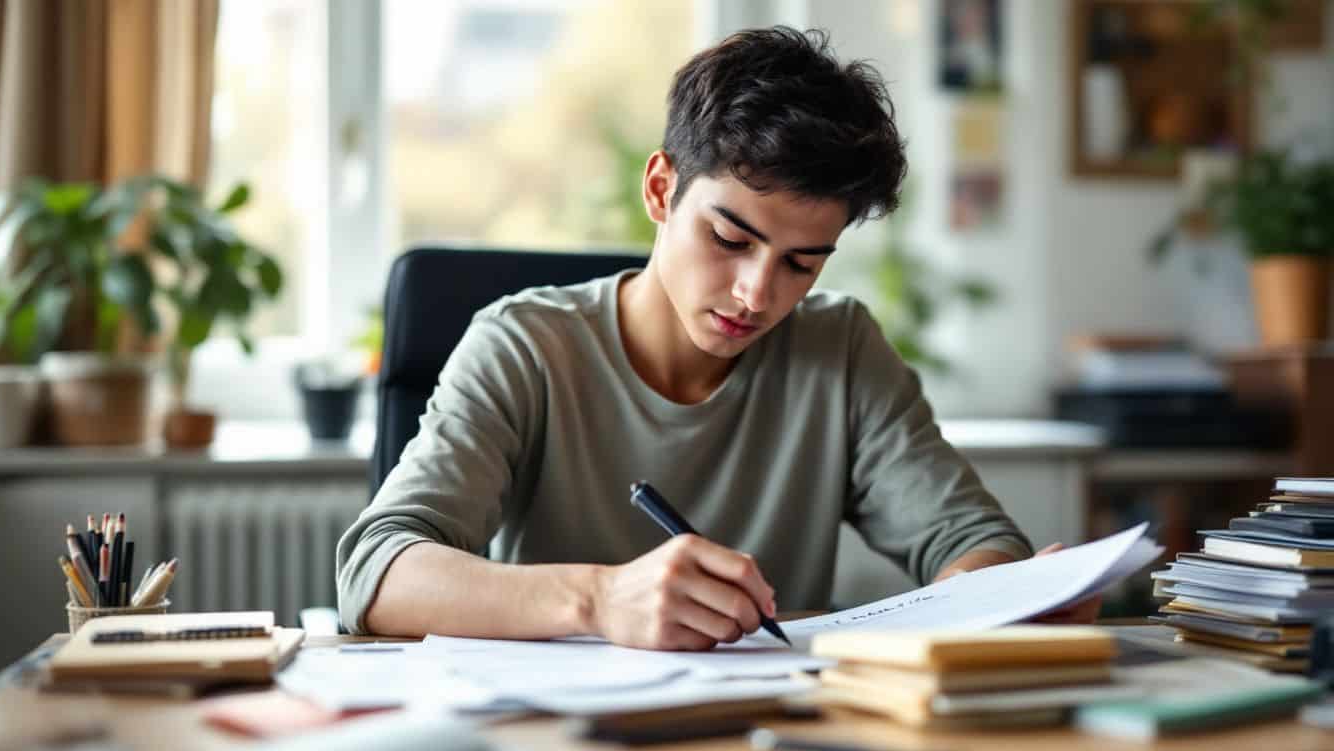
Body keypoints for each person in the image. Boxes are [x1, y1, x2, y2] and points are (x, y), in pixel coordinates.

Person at [337, 27, 1097, 650]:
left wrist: (1002, 596)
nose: (758, 294)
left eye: (802, 263)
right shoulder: (525, 346)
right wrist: (599, 599)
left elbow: (970, 536)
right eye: (731, 238)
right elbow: (377, 573)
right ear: (662, 189)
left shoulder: (839, 348)